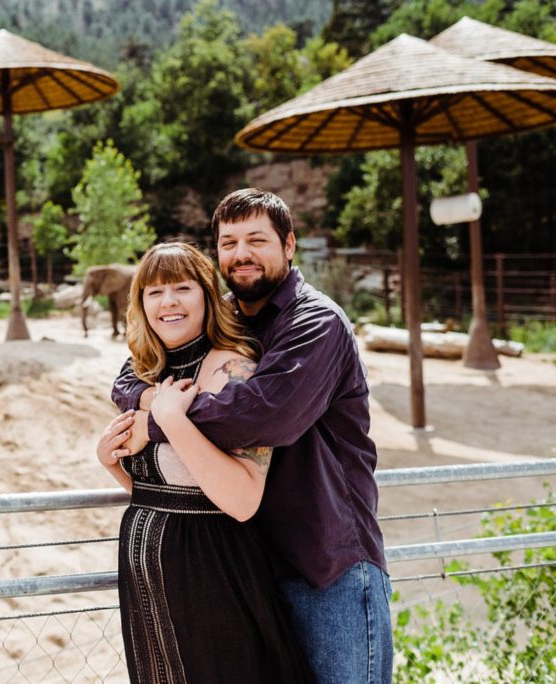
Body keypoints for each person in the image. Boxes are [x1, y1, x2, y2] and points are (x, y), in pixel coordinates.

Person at [110, 188, 392, 683]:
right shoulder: (231, 318)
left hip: (325, 563)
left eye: (256, 240)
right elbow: (131, 375)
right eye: (228, 242)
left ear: (289, 245)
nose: (240, 254)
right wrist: (145, 401)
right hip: (253, 560)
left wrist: (155, 425)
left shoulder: (314, 320)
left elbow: (264, 415)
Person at [96, 241, 312, 683]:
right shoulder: (147, 372)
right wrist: (112, 464)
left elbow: (242, 499)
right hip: (152, 587)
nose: (168, 301)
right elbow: (167, 495)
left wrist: (171, 420)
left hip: (212, 579)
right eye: (154, 292)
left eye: (182, 288)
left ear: (207, 296)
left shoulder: (232, 370)